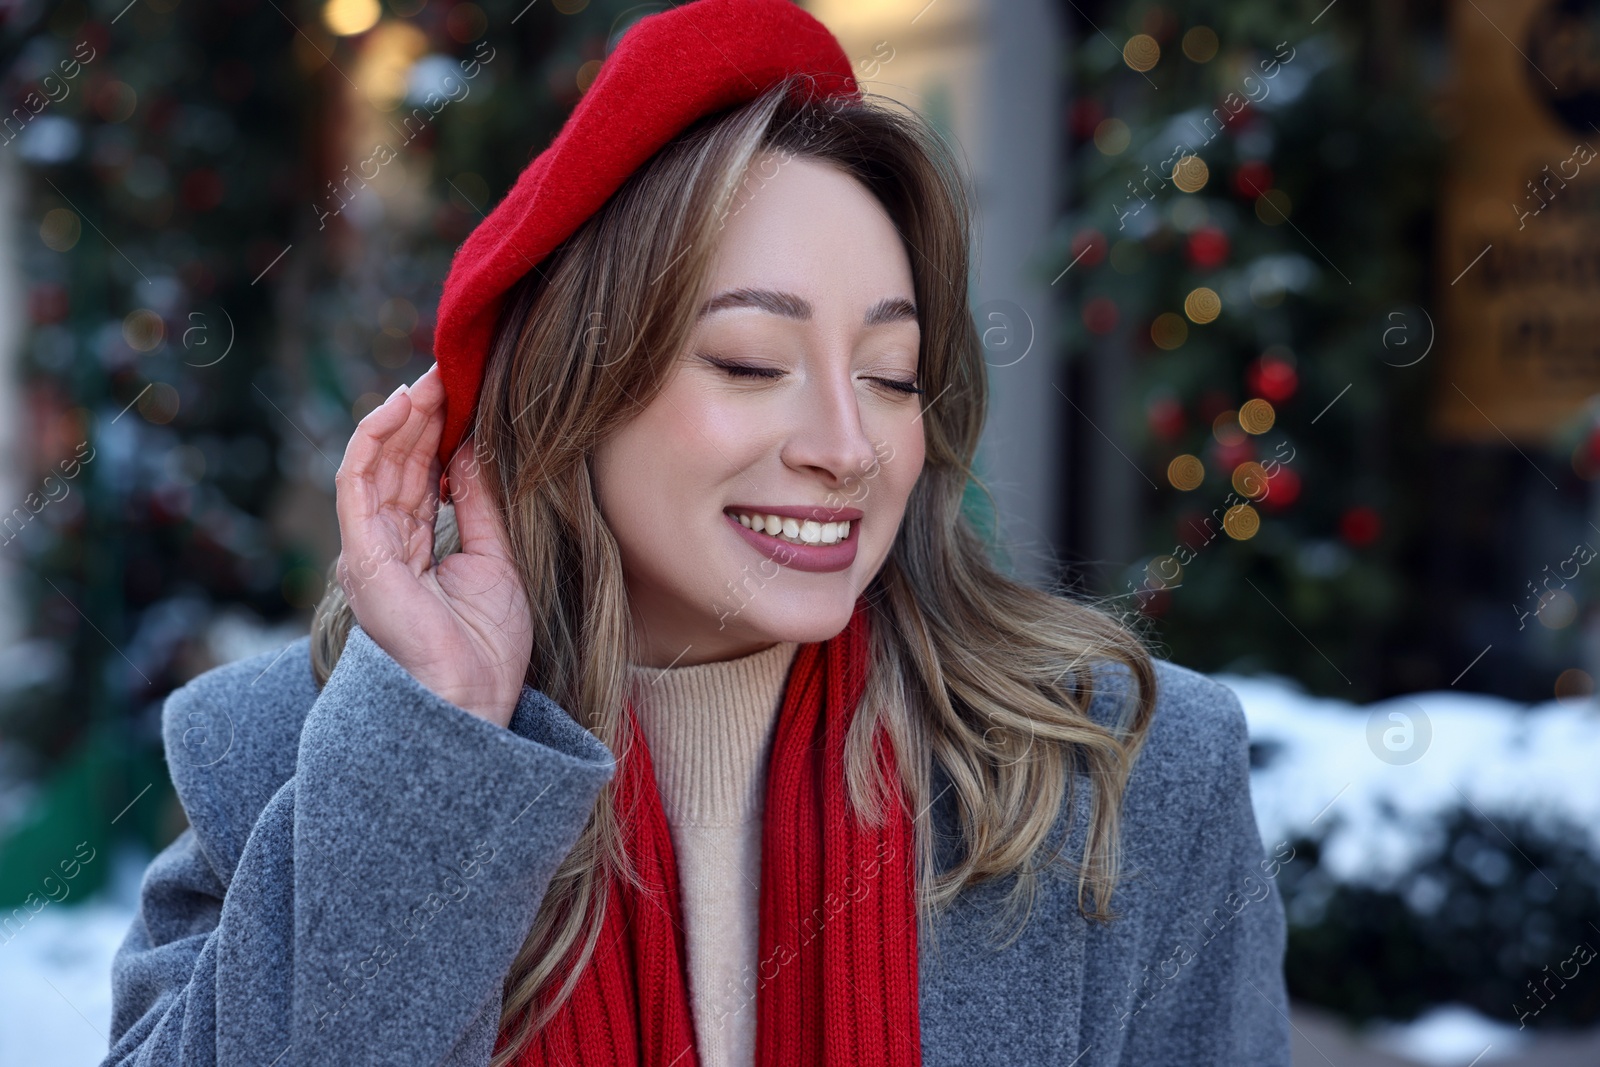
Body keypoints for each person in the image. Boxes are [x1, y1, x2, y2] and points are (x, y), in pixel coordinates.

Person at [103, 2, 1291, 1065]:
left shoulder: (1125, 776)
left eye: (892, 372)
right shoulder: (283, 761)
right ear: (569, 392)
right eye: (749, 360)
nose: (848, 441)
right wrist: (442, 742)